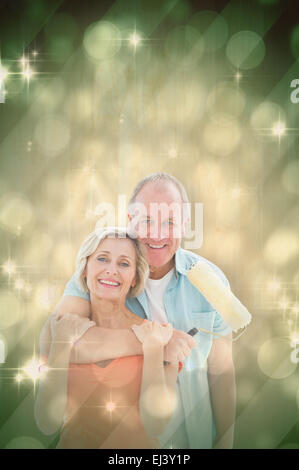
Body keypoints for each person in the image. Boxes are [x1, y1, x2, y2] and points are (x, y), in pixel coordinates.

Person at [39, 172, 236, 449]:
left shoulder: (210, 281)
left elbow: (222, 370)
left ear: (185, 224)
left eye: (169, 222)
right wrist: (155, 341)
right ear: (130, 220)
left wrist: (226, 440)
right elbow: (59, 337)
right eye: (147, 220)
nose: (157, 234)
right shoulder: (103, 275)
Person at [35, 228, 181, 449]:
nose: (111, 270)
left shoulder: (158, 335)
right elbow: (46, 424)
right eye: (102, 259)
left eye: (123, 264)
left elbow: (156, 425)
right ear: (85, 269)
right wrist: (61, 345)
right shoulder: (61, 330)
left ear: (135, 278)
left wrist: (152, 349)